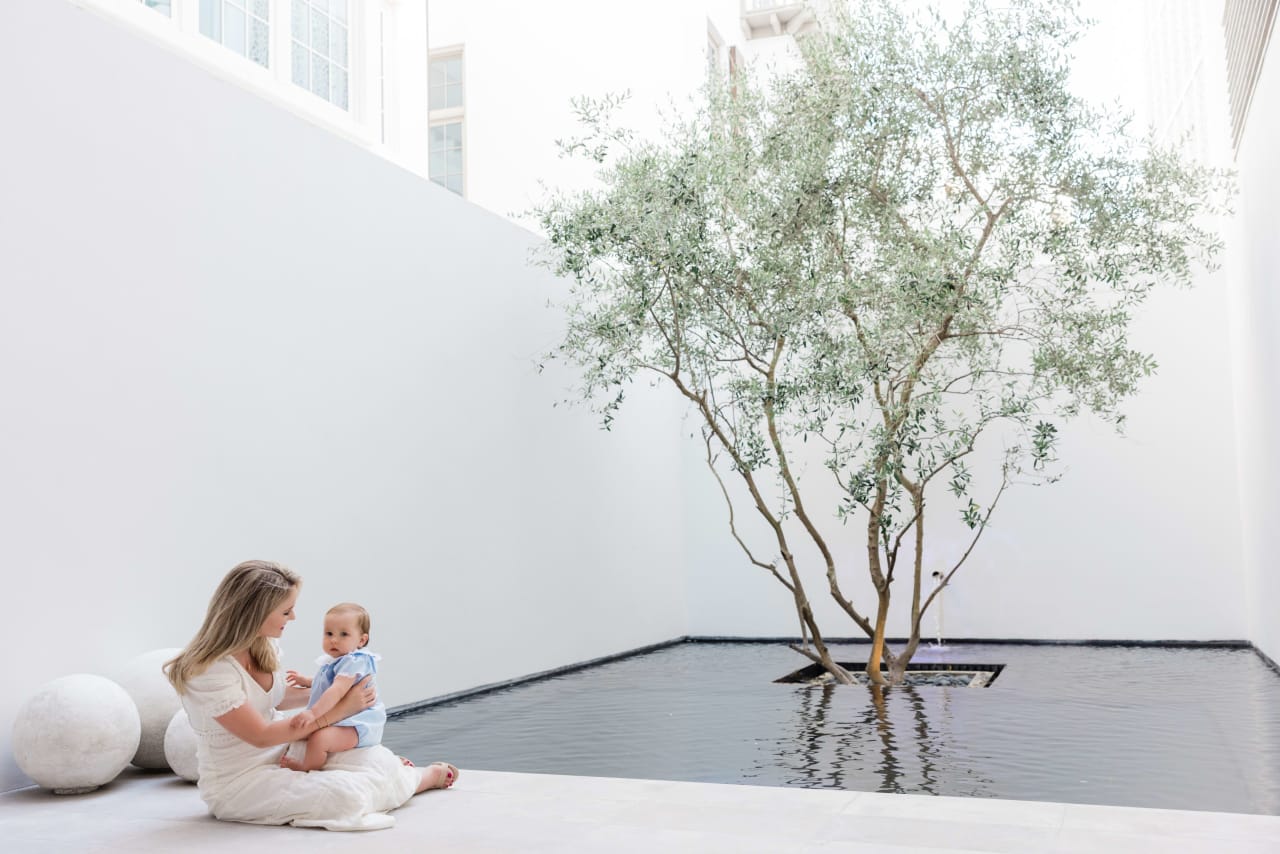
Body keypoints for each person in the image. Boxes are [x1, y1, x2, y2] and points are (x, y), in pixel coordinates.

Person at [165, 560, 458, 831]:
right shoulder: (207, 671)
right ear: (255, 612)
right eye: (285, 610)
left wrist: (334, 692)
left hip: (282, 751)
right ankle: (414, 781)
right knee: (346, 796)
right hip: (240, 781)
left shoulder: (262, 646)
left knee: (376, 760)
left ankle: (410, 778)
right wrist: (341, 710)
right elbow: (261, 735)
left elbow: (274, 697)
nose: (293, 616)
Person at [281, 602, 385, 772]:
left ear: (361, 640)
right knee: (300, 732)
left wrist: (313, 713)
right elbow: (327, 682)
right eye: (329, 633)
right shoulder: (337, 661)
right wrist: (306, 681)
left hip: (359, 725)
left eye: (344, 634)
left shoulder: (355, 661)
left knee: (319, 739)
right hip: (344, 720)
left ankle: (306, 767)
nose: (334, 640)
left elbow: (337, 689)